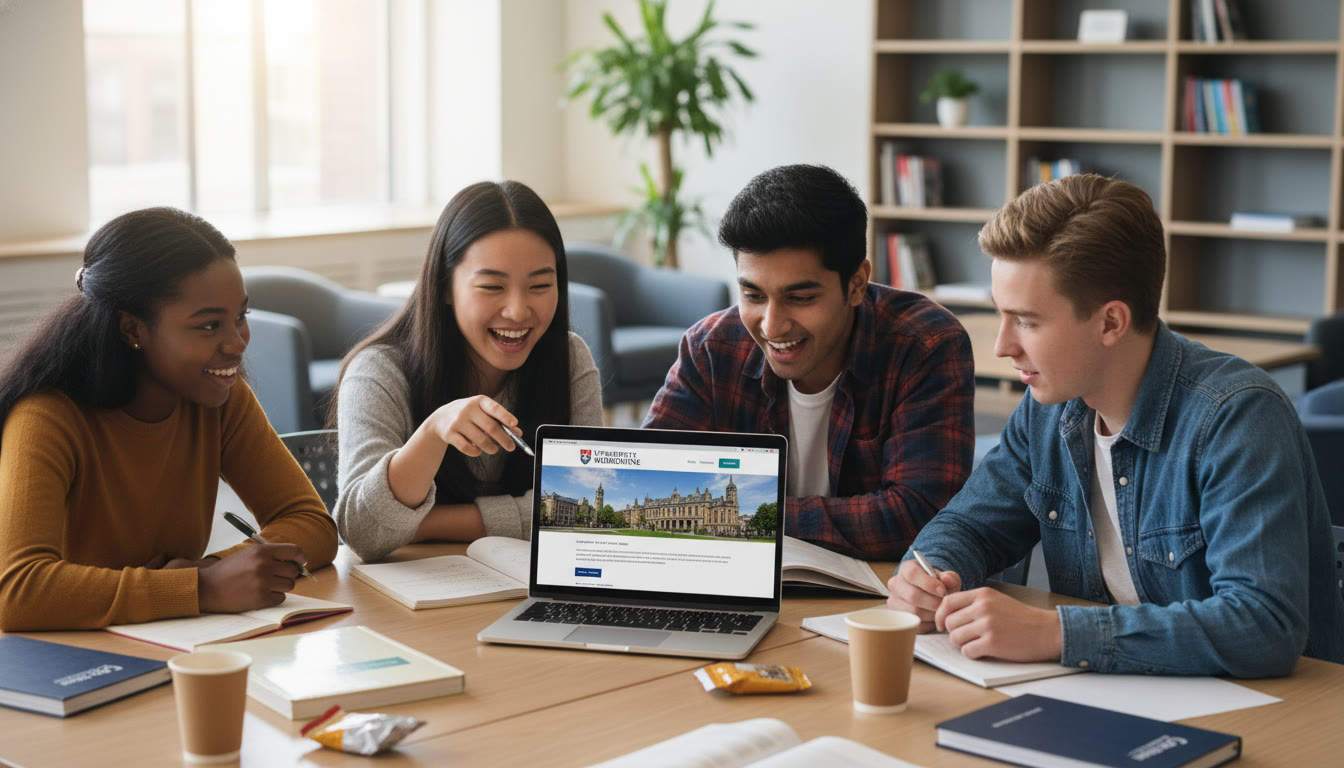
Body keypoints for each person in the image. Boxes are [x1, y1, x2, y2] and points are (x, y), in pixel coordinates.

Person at [887, 174, 1344, 676]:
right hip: (1111, 693)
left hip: (1278, 715)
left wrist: (1055, 633)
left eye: (1027, 321)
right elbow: (970, 525)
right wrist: (927, 573)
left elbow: (1263, 626)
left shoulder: (1236, 417)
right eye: (1001, 316)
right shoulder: (1047, 408)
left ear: (1110, 322)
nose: (1002, 346)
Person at [0, 208, 338, 631]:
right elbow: (19, 593)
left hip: (169, 637)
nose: (237, 343)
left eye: (241, 317)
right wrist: (200, 587)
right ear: (132, 329)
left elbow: (313, 524)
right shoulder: (47, 418)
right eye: (210, 325)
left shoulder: (221, 399)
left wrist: (217, 570)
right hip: (66, 654)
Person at [643, 164, 975, 560]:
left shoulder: (925, 345)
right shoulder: (711, 349)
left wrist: (752, 519)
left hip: (871, 601)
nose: (772, 324)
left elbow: (922, 516)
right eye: (752, 295)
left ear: (855, 284)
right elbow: (650, 473)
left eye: (800, 298)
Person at [334, 180, 602, 562]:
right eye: (492, 286)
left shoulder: (569, 358)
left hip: (524, 594)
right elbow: (363, 533)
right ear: (445, 286)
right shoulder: (378, 373)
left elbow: (584, 515)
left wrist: (427, 524)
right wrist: (432, 433)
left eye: (540, 285)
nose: (518, 311)